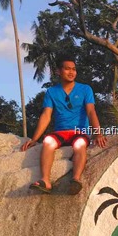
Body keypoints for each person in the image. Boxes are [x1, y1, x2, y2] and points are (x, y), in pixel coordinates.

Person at [21, 55, 107, 194]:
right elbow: (46, 115)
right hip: (60, 132)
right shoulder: (52, 92)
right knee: (48, 141)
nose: (71, 72)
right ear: (58, 71)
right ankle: (45, 181)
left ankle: (76, 180)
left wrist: (98, 134)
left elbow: (91, 111)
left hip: (79, 133)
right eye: (67, 69)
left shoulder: (85, 89)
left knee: (79, 144)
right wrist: (34, 139)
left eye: (73, 69)